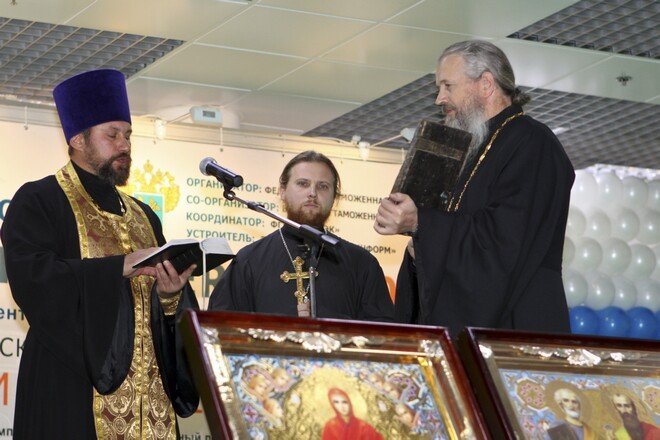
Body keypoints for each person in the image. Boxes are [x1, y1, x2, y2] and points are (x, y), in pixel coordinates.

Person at [0, 69, 199, 439]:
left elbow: (159, 313)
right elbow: (33, 280)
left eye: (128, 135)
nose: (124, 145)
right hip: (70, 391)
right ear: (78, 139)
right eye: (112, 134)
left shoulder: (144, 214)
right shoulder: (39, 200)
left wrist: (170, 297)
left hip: (149, 403)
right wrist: (117, 267)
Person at [374, 40, 574, 336]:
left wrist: (422, 223)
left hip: (516, 326)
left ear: (486, 84)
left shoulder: (532, 142)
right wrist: (420, 247)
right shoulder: (468, 148)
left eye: (448, 86)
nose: (439, 99)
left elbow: (506, 240)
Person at [209, 150, 394, 321]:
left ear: (334, 198)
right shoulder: (249, 260)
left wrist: (328, 321)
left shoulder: (361, 264)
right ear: (282, 191)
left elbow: (383, 334)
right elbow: (221, 326)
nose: (312, 193)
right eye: (303, 184)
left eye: (323, 186)